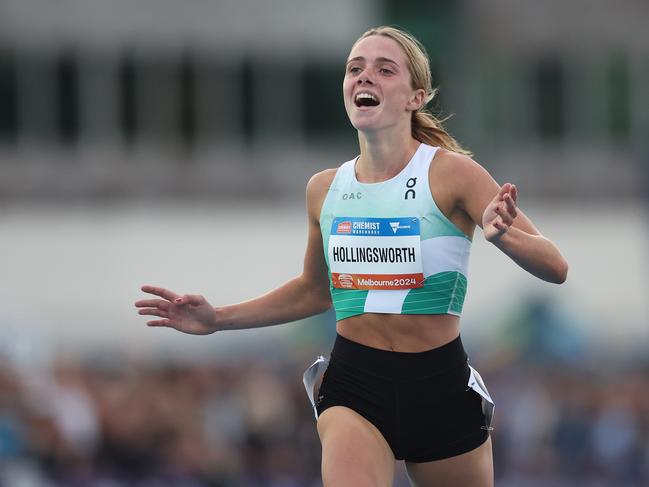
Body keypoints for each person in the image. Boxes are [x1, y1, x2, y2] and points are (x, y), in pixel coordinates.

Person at [135, 26, 568, 487]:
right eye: (355, 69)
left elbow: (556, 267)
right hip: (356, 385)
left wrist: (505, 238)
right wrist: (217, 318)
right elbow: (314, 292)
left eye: (385, 70)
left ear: (415, 97)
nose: (366, 77)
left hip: (440, 386)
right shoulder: (324, 189)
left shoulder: (452, 174)